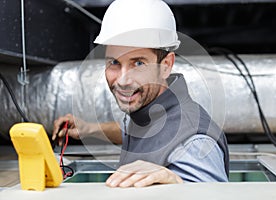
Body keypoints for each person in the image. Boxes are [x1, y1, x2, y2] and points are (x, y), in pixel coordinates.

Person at [52, 0, 229, 187]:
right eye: (114, 63)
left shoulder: (193, 144)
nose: (122, 81)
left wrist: (179, 184)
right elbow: (132, 129)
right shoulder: (150, 111)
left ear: (166, 65)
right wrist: (89, 129)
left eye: (138, 64)